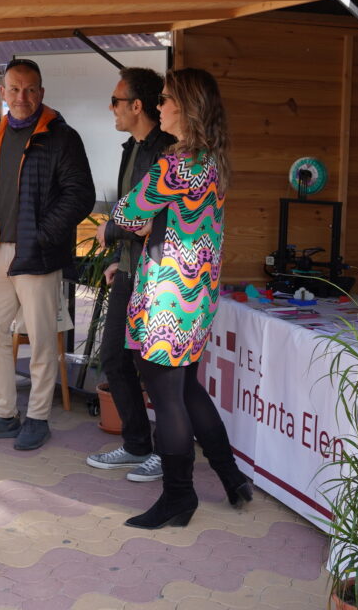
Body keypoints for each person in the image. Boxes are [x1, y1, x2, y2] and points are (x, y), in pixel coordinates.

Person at [96, 68, 252, 529]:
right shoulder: (211, 162)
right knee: (185, 389)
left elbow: (126, 213)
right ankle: (232, 479)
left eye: (165, 100)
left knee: (167, 398)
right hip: (196, 294)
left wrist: (120, 225)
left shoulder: (175, 164)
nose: (159, 106)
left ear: (188, 108)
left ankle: (179, 498)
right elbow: (171, 217)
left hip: (166, 294)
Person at [0, 58, 94, 451]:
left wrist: (41, 235)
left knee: (40, 340)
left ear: (42, 92)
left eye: (30, 89)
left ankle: (37, 417)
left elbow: (79, 196)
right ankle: (3, 413)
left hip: (37, 254)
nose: (22, 97)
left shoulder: (61, 136)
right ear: (3, 92)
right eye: (15, 89)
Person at [86, 67, 175, 482]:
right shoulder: (132, 147)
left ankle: (165, 453)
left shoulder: (166, 150)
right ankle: (138, 444)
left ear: (137, 106)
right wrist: (120, 255)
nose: (111, 108)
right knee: (115, 359)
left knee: (153, 366)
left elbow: (149, 217)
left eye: (117, 101)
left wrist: (114, 231)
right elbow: (134, 215)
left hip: (159, 277)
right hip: (130, 268)